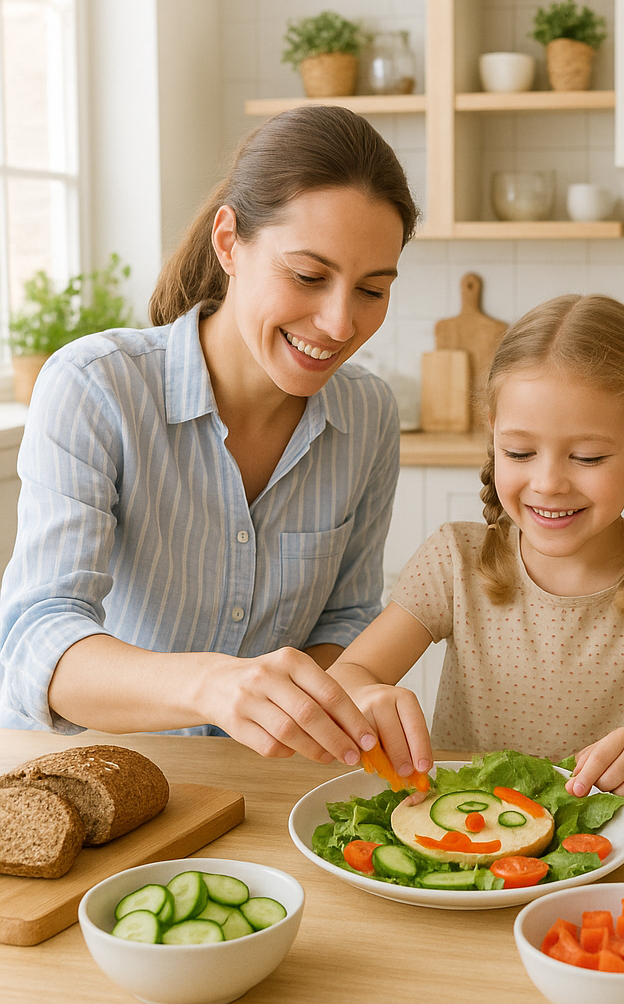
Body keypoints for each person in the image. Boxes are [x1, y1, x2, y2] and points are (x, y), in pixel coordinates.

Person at [0, 105, 419, 767]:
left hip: (267, 785)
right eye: (309, 277)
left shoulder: (367, 416)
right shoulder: (95, 388)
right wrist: (214, 685)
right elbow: (35, 639)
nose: (340, 323)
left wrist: (344, 695)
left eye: (372, 288)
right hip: (96, 774)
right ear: (230, 242)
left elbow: (345, 618)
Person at [326, 294, 624, 806]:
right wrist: (367, 694)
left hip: (607, 853)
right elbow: (348, 674)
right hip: (467, 847)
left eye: (587, 457)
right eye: (519, 452)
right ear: (493, 437)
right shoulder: (456, 559)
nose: (548, 483)